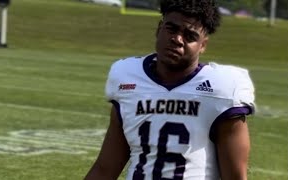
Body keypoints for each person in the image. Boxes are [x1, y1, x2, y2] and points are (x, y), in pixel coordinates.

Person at [85, 0, 255, 179]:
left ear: (203, 45)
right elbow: (105, 168)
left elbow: (235, 177)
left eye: (190, 36)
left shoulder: (222, 88)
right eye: (171, 29)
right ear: (159, 29)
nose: (177, 39)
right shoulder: (128, 77)